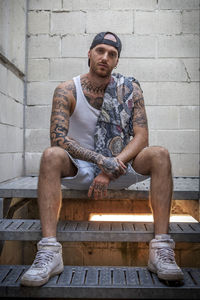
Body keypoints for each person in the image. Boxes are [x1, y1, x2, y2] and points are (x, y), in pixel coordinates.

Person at [21, 31, 184, 286]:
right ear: (89, 53)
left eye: (112, 54)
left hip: (120, 165)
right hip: (81, 168)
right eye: (100, 51)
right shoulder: (66, 90)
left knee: (160, 155)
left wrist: (110, 168)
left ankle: (161, 250)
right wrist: (100, 161)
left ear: (117, 61)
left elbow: (141, 137)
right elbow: (59, 139)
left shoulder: (129, 88)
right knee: (51, 155)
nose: (105, 57)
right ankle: (49, 252)